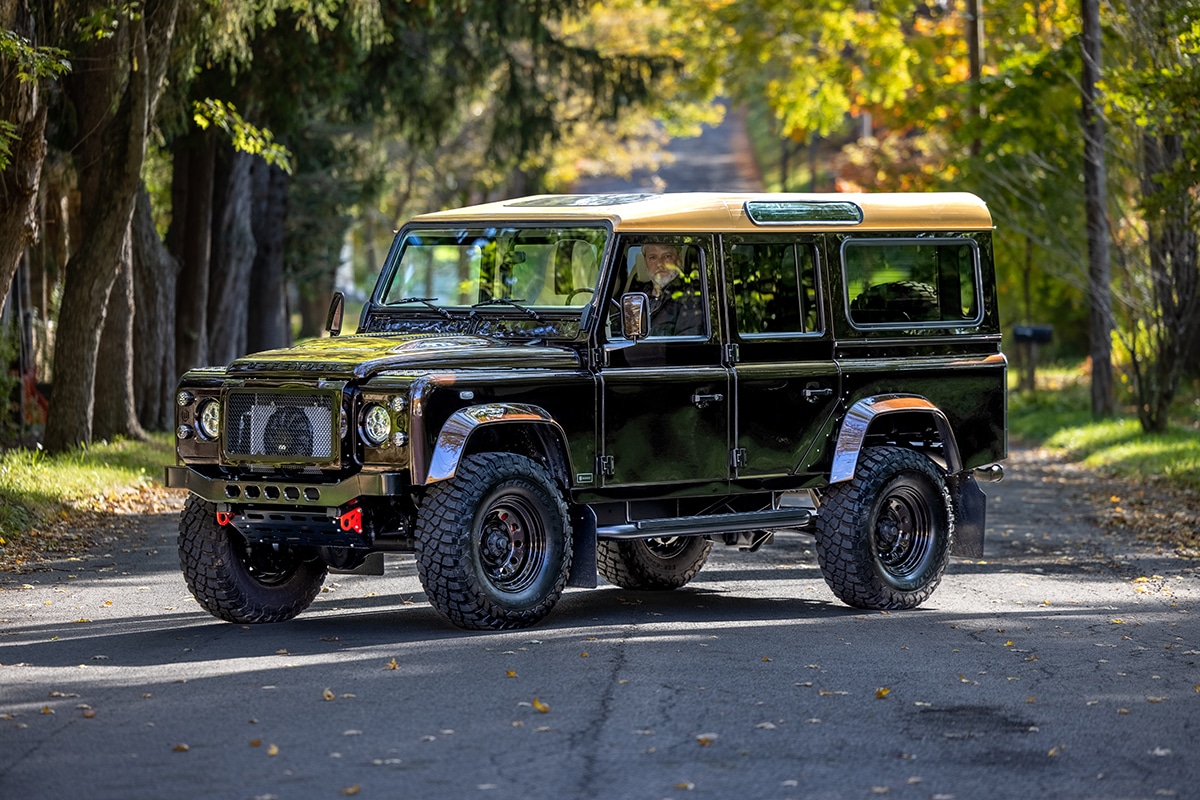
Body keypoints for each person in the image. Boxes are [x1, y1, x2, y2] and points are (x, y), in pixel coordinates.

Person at [632, 243, 704, 337]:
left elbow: (685, 346)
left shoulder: (691, 297)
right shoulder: (636, 296)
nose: (659, 264)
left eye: (667, 256)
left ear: (679, 259)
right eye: (653, 257)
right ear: (645, 263)